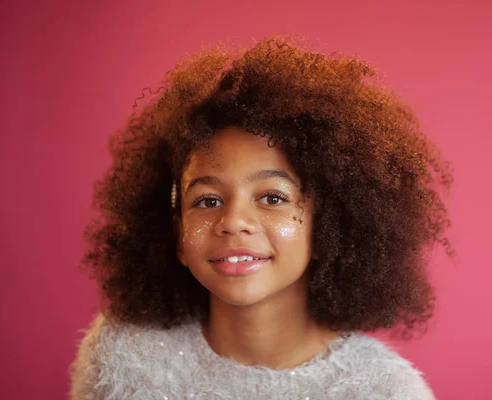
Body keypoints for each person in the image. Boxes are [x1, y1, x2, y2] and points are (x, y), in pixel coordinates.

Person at [70, 34, 454, 399]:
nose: (234, 221)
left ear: (328, 229)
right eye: (206, 200)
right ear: (177, 235)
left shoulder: (383, 392)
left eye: (272, 197)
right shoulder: (124, 357)